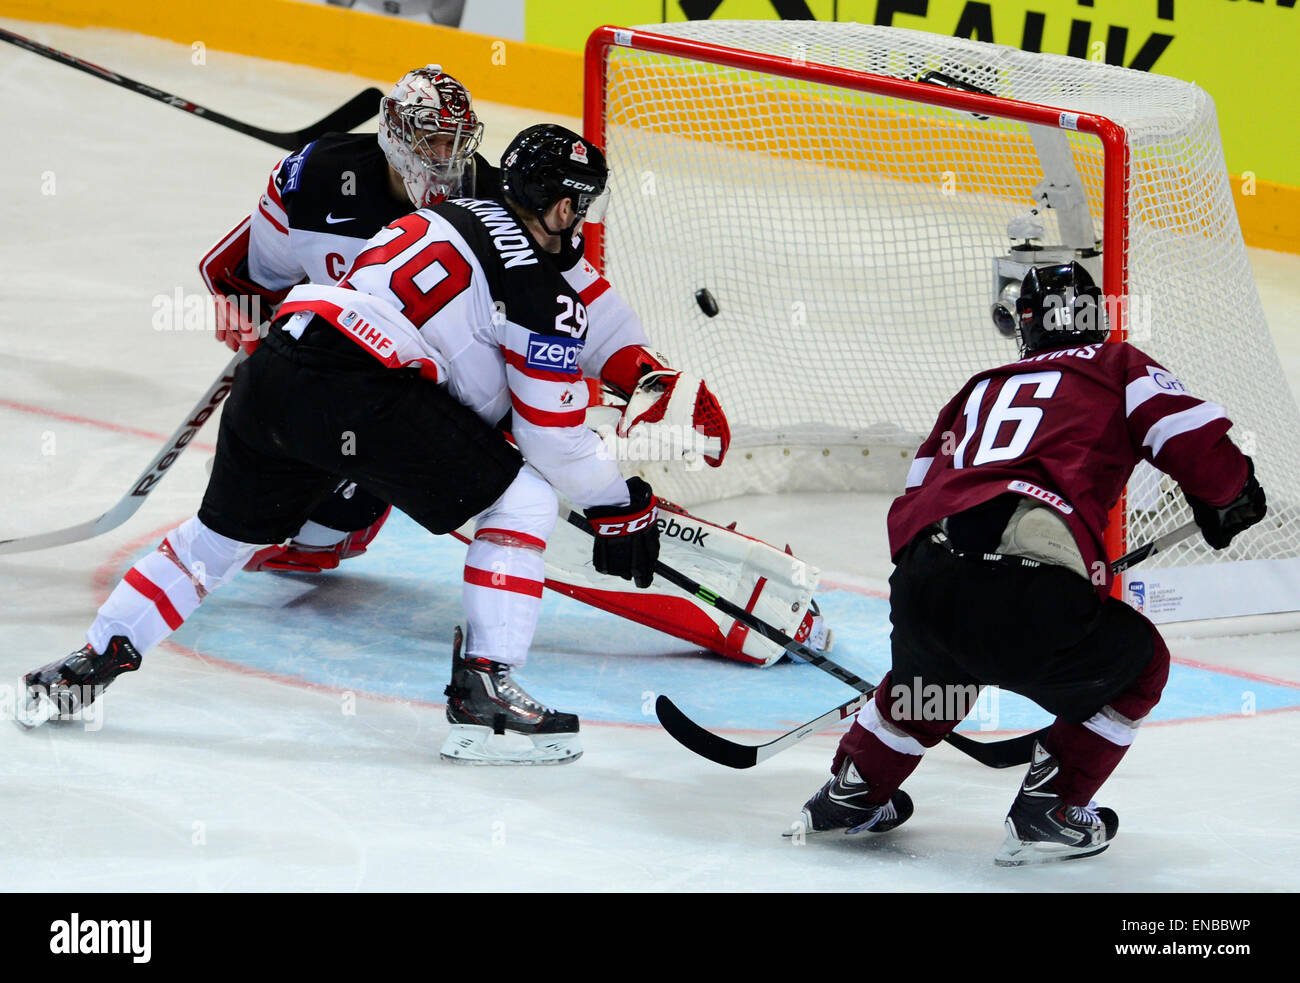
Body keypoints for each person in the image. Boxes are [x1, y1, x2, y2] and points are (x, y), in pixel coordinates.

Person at [22, 126, 661, 766]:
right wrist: (617, 504)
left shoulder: (447, 213)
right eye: (581, 206)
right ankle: (483, 694)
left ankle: (88, 665)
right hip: (362, 392)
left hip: (276, 367)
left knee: (214, 543)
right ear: (561, 207)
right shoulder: (542, 294)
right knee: (521, 500)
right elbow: (551, 440)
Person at [198, 64, 828, 667]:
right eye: (432, 142)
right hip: (349, 386)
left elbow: (577, 293)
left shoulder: (492, 195)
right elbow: (241, 271)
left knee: (536, 473)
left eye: (458, 143)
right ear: (393, 132)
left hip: (442, 393)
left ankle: (711, 596)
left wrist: (640, 370)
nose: (447, 161)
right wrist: (260, 326)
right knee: (315, 535)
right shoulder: (316, 179)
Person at [788, 263, 1267, 864]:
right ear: (1097, 315)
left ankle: (854, 790)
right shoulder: (1117, 366)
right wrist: (1229, 494)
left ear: (1027, 327)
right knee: (1141, 666)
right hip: (1025, 590)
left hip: (924, 576)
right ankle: (1054, 804)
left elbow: (915, 491)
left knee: (937, 677)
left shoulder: (981, 386)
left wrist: (949, 590)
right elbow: (1191, 443)